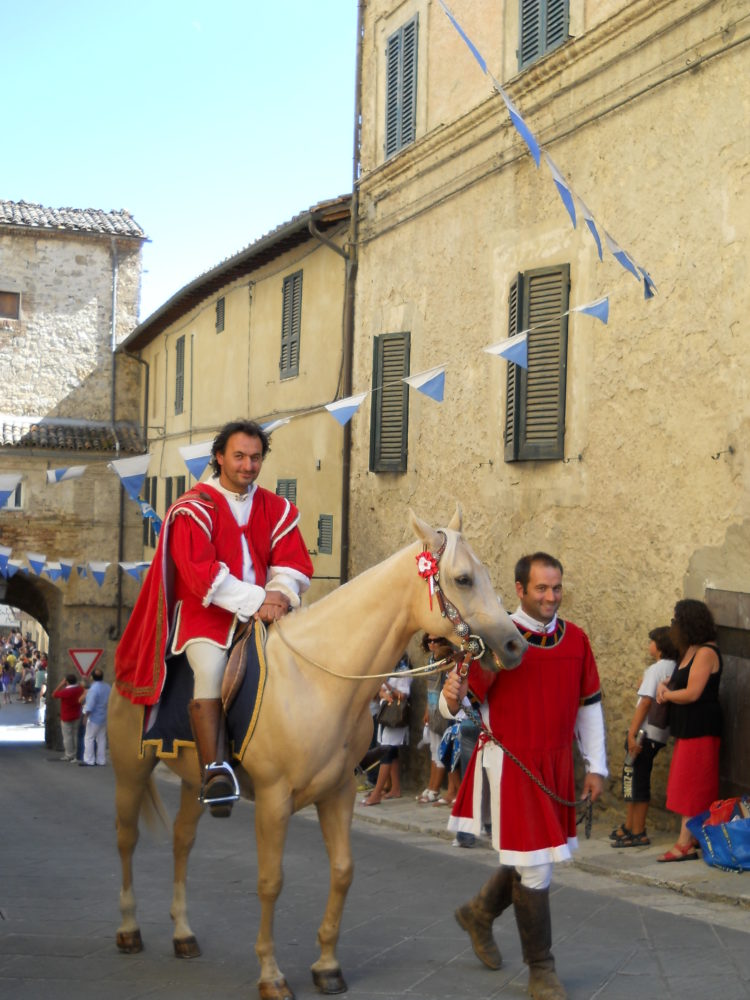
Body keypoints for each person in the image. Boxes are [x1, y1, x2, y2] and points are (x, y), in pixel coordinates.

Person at [115, 418, 314, 816]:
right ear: (220, 457)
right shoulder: (192, 508)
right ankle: (215, 770)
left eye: (256, 458)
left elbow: (293, 563)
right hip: (206, 616)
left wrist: (279, 592)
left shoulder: (276, 508)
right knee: (209, 668)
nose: (248, 465)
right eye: (239, 456)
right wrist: (260, 597)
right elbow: (201, 574)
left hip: (267, 612)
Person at [442, 552, 606, 1000]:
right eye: (541, 588)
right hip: (511, 765)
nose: (551, 596)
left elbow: (588, 705)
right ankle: (542, 970)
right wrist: (451, 695)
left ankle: (478, 913)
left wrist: (597, 766)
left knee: (530, 858)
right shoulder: (495, 639)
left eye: (556, 588)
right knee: (536, 869)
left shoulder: (576, 640)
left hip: (556, 766)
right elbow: (452, 707)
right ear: (520, 589)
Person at [655, 598, 722, 862]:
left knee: (693, 784)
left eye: (677, 620)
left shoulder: (706, 652)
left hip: (702, 726)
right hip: (688, 727)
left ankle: (684, 844)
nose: (674, 625)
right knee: (684, 782)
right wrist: (664, 686)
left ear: (689, 622)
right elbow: (677, 680)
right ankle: (692, 838)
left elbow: (693, 692)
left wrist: (668, 697)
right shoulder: (691, 649)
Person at [610, 626, 678, 847]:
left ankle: (638, 831)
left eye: (652, 642)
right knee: (634, 778)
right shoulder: (674, 667)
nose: (649, 645)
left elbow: (646, 702)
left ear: (659, 646)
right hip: (660, 734)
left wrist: (631, 733)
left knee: (636, 781)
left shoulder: (655, 669)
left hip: (644, 734)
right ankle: (630, 826)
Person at [361, 654, 412, 806]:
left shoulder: (404, 671)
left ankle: (376, 794)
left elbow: (403, 696)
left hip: (395, 716)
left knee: (386, 753)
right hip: (386, 714)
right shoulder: (388, 669)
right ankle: (395, 788)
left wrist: (387, 687)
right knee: (392, 753)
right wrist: (383, 692)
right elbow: (381, 693)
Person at [415, 634, 460, 805]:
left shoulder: (445, 661)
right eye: (429, 641)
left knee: (444, 750)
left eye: (437, 640)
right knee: (435, 749)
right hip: (433, 708)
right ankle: (432, 787)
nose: (433, 644)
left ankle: (443, 790)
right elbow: (430, 688)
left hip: (443, 709)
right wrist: (427, 709)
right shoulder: (430, 661)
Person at [80, 667, 111, 766]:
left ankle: (89, 760)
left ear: (92, 677)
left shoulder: (93, 689)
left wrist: (85, 716)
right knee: (101, 738)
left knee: (89, 738)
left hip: (94, 717)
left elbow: (90, 705)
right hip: (104, 716)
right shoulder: (107, 687)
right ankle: (101, 760)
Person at [53, 673, 85, 760]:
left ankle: (69, 754)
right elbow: (84, 689)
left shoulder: (65, 692)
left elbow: (54, 694)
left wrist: (60, 684)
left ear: (66, 682)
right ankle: (76, 754)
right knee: (76, 736)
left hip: (66, 716)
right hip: (77, 715)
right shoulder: (79, 689)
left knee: (67, 737)